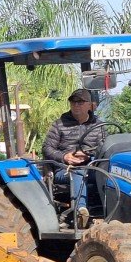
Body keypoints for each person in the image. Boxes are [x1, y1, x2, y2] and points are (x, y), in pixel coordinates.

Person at [43, 88, 106, 228]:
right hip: (63, 169)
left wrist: (89, 155)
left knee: (111, 171)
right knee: (78, 172)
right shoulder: (59, 124)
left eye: (81, 102)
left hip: (92, 166)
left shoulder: (99, 125)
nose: (76, 105)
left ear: (90, 105)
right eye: (73, 101)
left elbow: (104, 149)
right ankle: (80, 212)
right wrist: (65, 156)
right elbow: (47, 148)